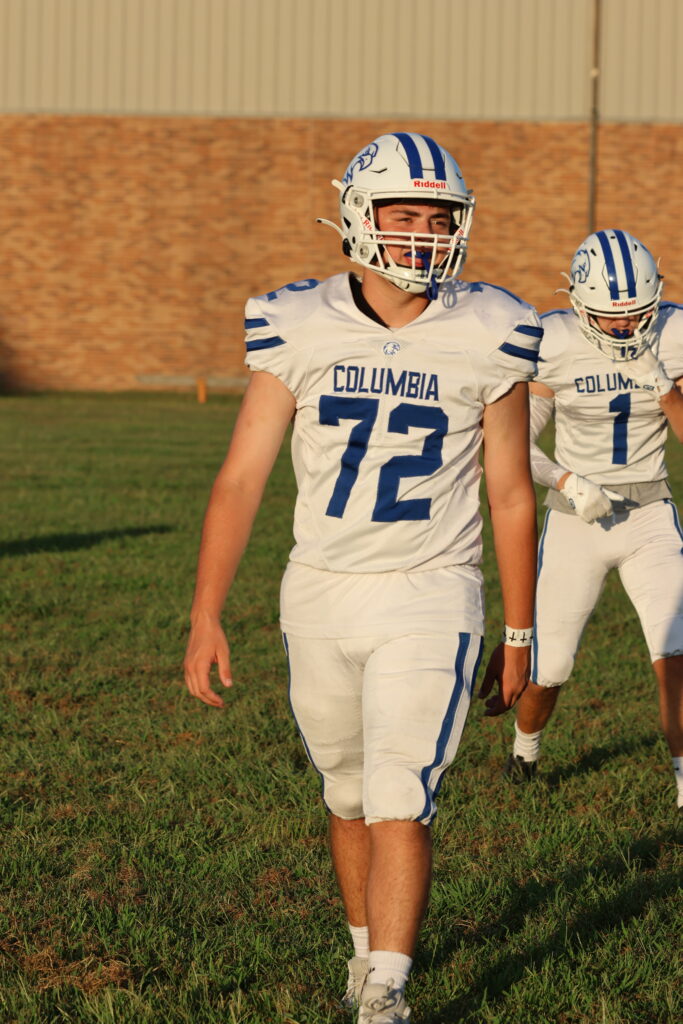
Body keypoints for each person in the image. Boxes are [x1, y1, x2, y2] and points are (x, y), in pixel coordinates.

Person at [184, 132, 540, 1024]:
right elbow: (240, 478)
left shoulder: (490, 326)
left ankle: (387, 991)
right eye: (404, 213)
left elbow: (508, 491)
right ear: (356, 214)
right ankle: (361, 954)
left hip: (431, 587)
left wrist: (519, 630)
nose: (423, 234)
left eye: (439, 218)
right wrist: (205, 612)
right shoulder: (297, 320)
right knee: (344, 791)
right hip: (318, 589)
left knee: (398, 793)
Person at [505, 229, 683, 813]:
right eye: (612, 314)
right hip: (575, 520)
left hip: (649, 513)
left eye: (637, 312)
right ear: (578, 304)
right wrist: (566, 481)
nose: (626, 325)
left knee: (675, 652)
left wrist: (667, 391)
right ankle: (525, 749)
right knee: (551, 667)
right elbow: (512, 445)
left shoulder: (675, 333)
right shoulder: (552, 341)